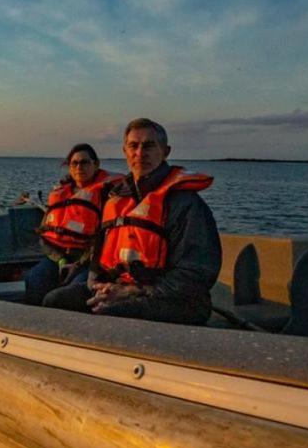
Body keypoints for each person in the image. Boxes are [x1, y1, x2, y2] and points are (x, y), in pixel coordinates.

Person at [43, 119, 221, 324]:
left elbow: (196, 274)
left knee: (109, 312)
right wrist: (99, 286)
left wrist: (135, 291)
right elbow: (98, 257)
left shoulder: (186, 204)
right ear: (125, 151)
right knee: (55, 300)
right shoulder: (117, 198)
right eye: (133, 146)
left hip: (176, 299)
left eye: (149, 145)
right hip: (121, 286)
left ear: (165, 151)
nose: (140, 153)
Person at [23, 144, 122, 305]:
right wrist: (61, 260)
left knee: (72, 291)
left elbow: (106, 238)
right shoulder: (61, 193)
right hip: (60, 257)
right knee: (34, 278)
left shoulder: (107, 195)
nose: (78, 167)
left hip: (91, 261)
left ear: (96, 164)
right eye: (74, 163)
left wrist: (77, 265)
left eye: (84, 163)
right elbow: (45, 234)